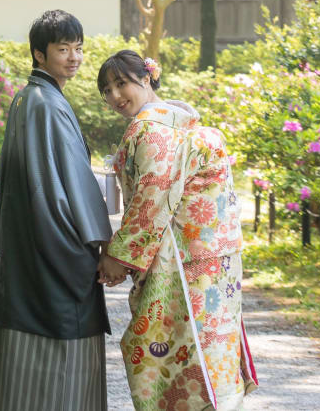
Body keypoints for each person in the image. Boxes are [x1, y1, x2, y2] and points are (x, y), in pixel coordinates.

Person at [97, 50, 258, 410]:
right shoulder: (181, 120)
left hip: (184, 259)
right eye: (106, 90)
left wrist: (117, 258)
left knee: (172, 350)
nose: (115, 96)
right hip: (212, 256)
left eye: (121, 83)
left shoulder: (153, 128)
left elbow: (151, 198)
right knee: (210, 345)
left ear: (148, 77)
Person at [0, 10, 113, 411]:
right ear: (39, 54)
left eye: (78, 49)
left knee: (24, 346)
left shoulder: (28, 97)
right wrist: (102, 243)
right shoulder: (48, 104)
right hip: (57, 244)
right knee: (62, 343)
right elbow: (76, 181)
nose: (73, 57)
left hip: (29, 241)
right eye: (62, 49)